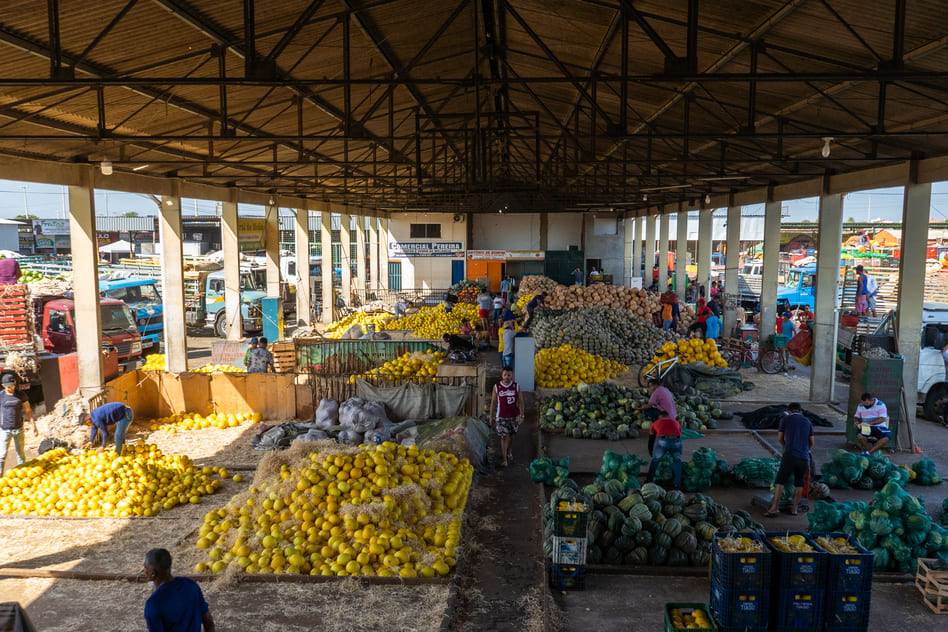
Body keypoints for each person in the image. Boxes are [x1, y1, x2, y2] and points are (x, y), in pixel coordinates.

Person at [143, 548, 215, 632]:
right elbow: (208, 622)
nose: (144, 571)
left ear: (153, 573)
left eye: (145, 567)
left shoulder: (154, 604)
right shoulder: (190, 585)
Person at [764, 402, 814, 517]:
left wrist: (785, 446)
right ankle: (794, 509)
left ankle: (774, 508)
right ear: (800, 411)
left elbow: (780, 438)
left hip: (790, 455)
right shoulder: (807, 421)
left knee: (780, 482)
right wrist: (807, 451)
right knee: (799, 484)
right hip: (804, 457)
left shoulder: (785, 420)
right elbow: (811, 441)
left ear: (789, 411)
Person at [0, 374, 36, 475]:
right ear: (3, 385)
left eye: (12, 385)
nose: (11, 388)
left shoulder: (21, 395)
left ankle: (22, 476)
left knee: (21, 455)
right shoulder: (1, 396)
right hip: (5, 430)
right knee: (2, 456)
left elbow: (28, 410)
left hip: (19, 430)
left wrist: (34, 426)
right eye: (8, 386)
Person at [490, 367, 523, 468]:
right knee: (504, 437)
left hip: (514, 416)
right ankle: (504, 459)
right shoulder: (497, 387)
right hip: (501, 416)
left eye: (509, 375)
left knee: (511, 436)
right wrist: (491, 416)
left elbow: (521, 401)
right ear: (501, 375)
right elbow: (493, 402)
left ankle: (509, 451)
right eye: (505, 375)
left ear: (511, 376)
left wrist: (522, 415)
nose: (507, 377)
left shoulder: (516, 386)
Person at [645, 415, 682, 489]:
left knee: (655, 460)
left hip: (663, 440)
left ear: (660, 417)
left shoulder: (656, 423)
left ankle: (649, 481)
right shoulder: (676, 422)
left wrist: (650, 450)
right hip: (677, 441)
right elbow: (679, 434)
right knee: (677, 461)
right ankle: (677, 484)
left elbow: (651, 438)